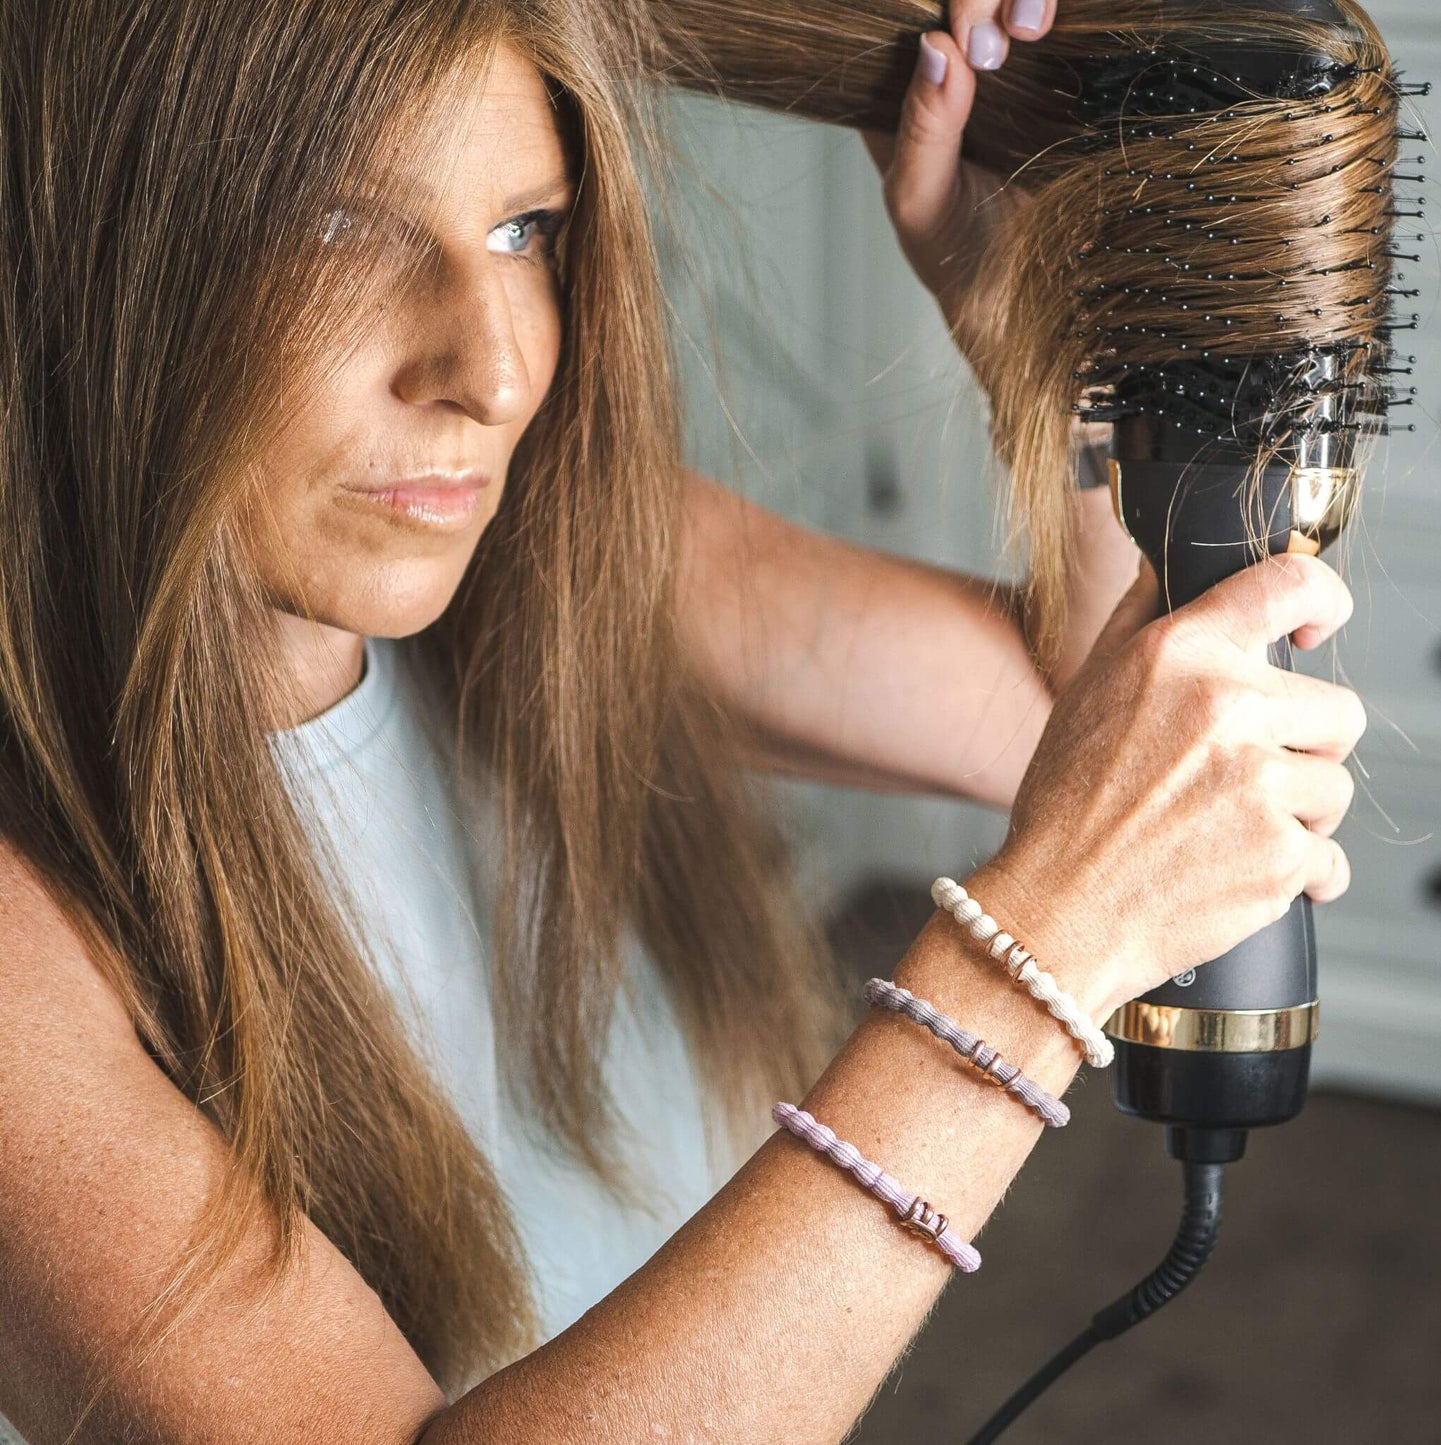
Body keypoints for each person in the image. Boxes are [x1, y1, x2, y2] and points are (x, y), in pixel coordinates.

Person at [0, 0, 1363, 1441]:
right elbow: (1095, 802)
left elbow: (1066, 718)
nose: (496, 371)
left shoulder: (547, 563)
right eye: (339, 230)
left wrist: (1029, 322)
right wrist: (1033, 963)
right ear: (92, 252)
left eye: (525, 231)